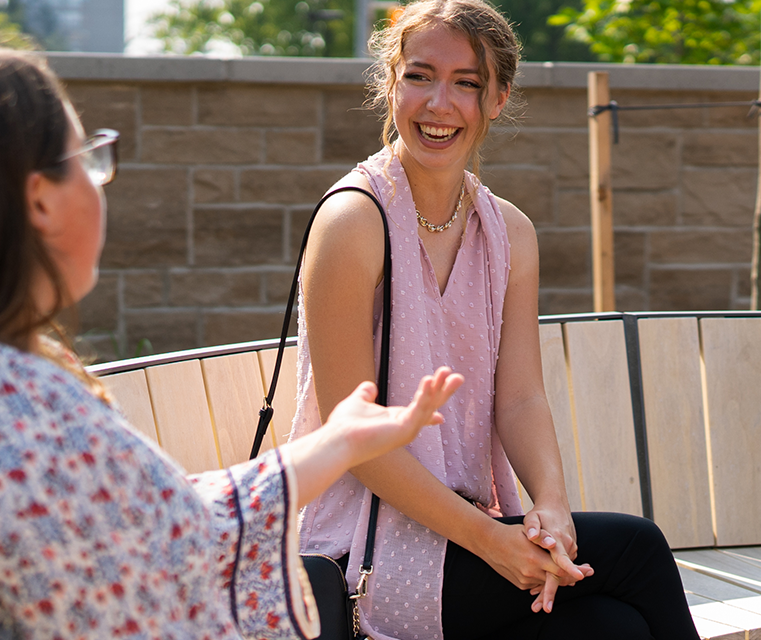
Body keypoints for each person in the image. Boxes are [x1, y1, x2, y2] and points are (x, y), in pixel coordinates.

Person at [0, 33, 463, 640]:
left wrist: (339, 442)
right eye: (86, 158)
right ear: (37, 201)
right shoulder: (9, 415)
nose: (101, 181)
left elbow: (160, 526)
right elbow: (159, 589)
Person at [286, 1, 697, 639]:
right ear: (391, 83)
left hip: (468, 533)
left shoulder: (508, 232)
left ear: (499, 97)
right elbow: (355, 441)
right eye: (419, 76)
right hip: (364, 555)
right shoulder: (354, 221)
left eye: (466, 83)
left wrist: (552, 508)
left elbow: (522, 399)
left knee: (613, 627)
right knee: (636, 548)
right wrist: (493, 544)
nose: (438, 104)